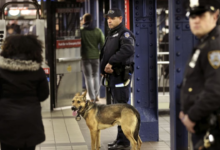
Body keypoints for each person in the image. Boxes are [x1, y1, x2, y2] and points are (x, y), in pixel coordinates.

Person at [179, 0, 220, 149]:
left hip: (212, 129)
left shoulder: (214, 46)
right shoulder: (204, 43)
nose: (196, 20)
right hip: (205, 127)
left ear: (215, 16)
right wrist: (185, 109)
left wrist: (191, 116)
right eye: (192, 16)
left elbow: (216, 90)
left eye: (201, 15)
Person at [0, 35, 49, 150]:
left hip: (6, 118)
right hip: (30, 118)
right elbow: (43, 95)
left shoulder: (1, 71)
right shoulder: (38, 71)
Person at [100, 8, 135, 150]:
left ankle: (124, 142)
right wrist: (104, 69)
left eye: (113, 18)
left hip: (120, 76)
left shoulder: (124, 34)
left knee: (121, 109)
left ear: (120, 19)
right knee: (117, 109)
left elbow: (128, 50)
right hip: (113, 76)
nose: (109, 20)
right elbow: (106, 52)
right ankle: (119, 139)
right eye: (108, 18)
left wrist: (111, 62)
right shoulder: (112, 34)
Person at [81, 13, 105, 102]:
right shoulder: (98, 31)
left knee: (88, 77)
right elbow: (103, 44)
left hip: (85, 57)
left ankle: (91, 97)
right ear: (92, 20)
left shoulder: (81, 31)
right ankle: (96, 95)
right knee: (95, 76)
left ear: (84, 20)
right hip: (96, 56)